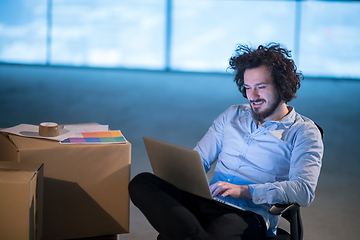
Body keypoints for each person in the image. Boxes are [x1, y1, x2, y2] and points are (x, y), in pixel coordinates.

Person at [128, 43, 323, 240]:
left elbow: (303, 191)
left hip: (249, 215)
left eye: (260, 88)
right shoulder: (232, 115)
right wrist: (179, 174)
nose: (252, 96)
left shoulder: (304, 132)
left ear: (282, 86)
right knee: (141, 182)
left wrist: (245, 191)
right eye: (247, 88)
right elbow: (199, 159)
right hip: (208, 200)